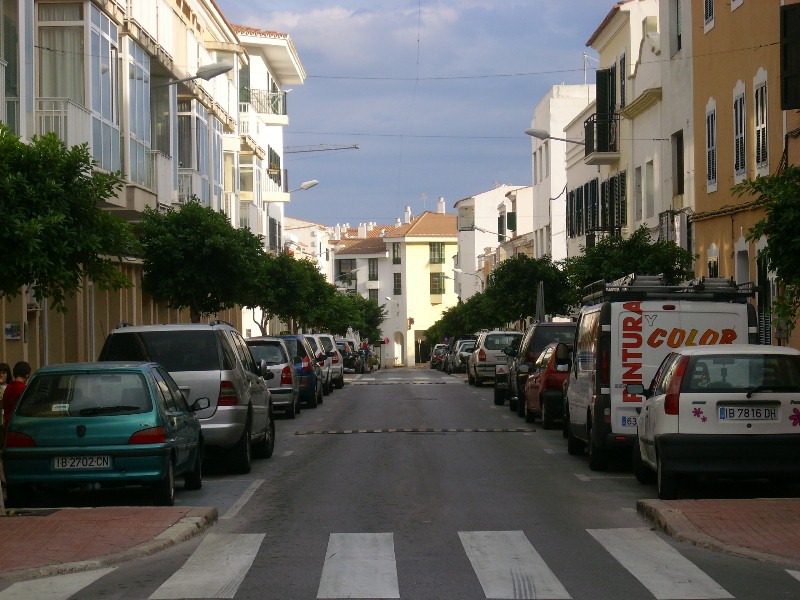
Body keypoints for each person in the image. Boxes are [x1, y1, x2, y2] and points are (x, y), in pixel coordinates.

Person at [2, 361, 31, 431]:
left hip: (8, 425)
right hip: (20, 427)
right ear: (27, 375)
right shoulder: (24, 389)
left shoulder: (8, 388)